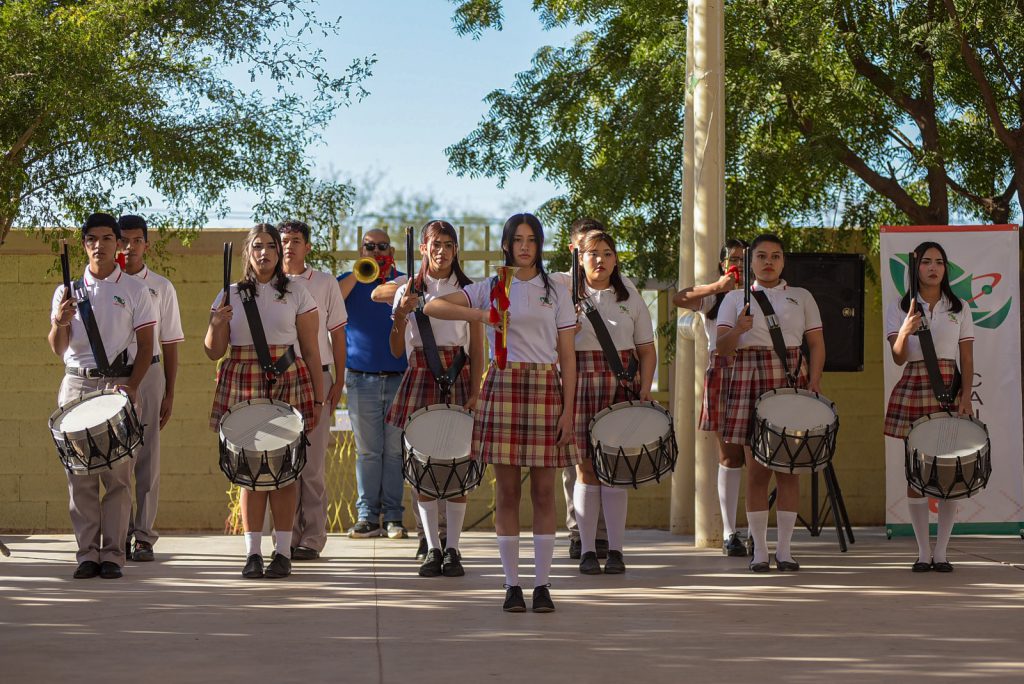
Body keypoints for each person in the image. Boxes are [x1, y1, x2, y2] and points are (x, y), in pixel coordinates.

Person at [425, 212, 577, 613]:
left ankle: (542, 584)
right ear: (507, 245)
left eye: (532, 239)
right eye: (518, 239)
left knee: (544, 492)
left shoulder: (556, 289)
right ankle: (512, 585)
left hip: (546, 386)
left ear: (539, 246)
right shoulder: (491, 287)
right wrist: (481, 315)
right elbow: (433, 306)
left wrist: (569, 410)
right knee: (507, 492)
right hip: (503, 384)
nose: (525, 246)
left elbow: (568, 355)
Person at [205, 224, 324, 579]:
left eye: (271, 246)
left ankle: (283, 552)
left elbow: (312, 349)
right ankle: (253, 553)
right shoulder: (228, 295)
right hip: (243, 379)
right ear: (248, 252)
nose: (265, 252)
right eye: (258, 246)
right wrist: (216, 323)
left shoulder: (298, 292)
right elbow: (213, 351)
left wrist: (318, 400)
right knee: (250, 474)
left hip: (287, 380)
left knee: (285, 474)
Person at [48, 212, 156, 579]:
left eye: (107, 238)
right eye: (91, 239)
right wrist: (60, 321)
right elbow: (57, 348)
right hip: (77, 385)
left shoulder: (137, 290)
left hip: (117, 386)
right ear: (84, 245)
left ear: (118, 244)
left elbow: (146, 347)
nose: (99, 245)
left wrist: (134, 386)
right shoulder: (67, 291)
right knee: (79, 475)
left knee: (118, 475)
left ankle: (112, 554)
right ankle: (86, 554)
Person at [716, 233, 825, 572]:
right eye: (761, 256)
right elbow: (721, 348)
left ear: (783, 261)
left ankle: (786, 550)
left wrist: (814, 385)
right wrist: (738, 330)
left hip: (790, 378)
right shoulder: (734, 299)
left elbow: (817, 344)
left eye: (775, 256)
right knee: (757, 469)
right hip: (748, 376)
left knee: (790, 468)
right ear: (749, 263)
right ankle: (760, 549)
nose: (768, 262)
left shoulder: (801, 296)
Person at [385, 220, 485, 577]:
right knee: (423, 465)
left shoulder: (469, 290)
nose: (441, 251)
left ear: (455, 250)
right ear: (423, 249)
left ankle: (453, 548)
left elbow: (478, 346)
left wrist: (476, 390)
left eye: (448, 244)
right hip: (421, 374)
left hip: (458, 375)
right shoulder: (407, 289)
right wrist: (401, 313)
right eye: (434, 244)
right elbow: (397, 349)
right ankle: (431, 547)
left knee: (457, 464)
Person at [884, 241, 974, 573]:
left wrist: (965, 397)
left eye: (939, 262)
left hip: (949, 386)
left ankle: (942, 552)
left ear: (945, 269)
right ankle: (923, 551)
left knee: (949, 470)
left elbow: (966, 355)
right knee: (917, 471)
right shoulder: (901, 305)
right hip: (915, 384)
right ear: (915, 268)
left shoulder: (959, 306)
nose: (933, 268)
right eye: (926, 262)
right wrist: (905, 330)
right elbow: (898, 356)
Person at [571, 230, 656, 575]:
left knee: (616, 469)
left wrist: (645, 390)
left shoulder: (630, 297)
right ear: (580, 259)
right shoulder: (567, 297)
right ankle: (588, 550)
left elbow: (647, 351)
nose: (601, 260)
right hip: (579, 384)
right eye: (593, 253)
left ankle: (617, 550)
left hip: (620, 386)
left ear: (616, 259)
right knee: (586, 468)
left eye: (607, 253)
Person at [674, 238, 749, 556]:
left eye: (746, 259)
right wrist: (718, 286)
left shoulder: (765, 294)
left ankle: (756, 531)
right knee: (730, 456)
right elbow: (680, 298)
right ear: (722, 264)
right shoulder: (713, 299)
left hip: (761, 368)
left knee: (760, 458)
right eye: (733, 259)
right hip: (725, 371)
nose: (739, 265)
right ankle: (731, 533)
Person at [280, 220, 348, 561]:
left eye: (295, 240)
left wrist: (338, 379)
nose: (288, 246)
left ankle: (313, 537)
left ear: (307, 246)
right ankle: (285, 537)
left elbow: (337, 334)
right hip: (279, 377)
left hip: (316, 375)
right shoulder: (266, 284)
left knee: (312, 465)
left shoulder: (324, 283)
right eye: (283, 241)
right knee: (282, 461)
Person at [118, 215, 184, 563]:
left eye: (136, 240)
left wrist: (170, 391)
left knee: (147, 457)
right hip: (113, 376)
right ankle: (120, 531)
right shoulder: (105, 285)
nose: (129, 247)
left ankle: (143, 535)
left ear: (147, 244)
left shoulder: (161, 287)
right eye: (123, 239)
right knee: (116, 458)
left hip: (151, 376)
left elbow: (170, 342)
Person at [338, 229, 409, 539]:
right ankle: (367, 516)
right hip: (361, 378)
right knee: (368, 452)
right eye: (370, 246)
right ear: (361, 248)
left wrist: (386, 274)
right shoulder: (349, 279)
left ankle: (394, 517)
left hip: (398, 377)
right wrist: (361, 268)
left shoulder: (402, 280)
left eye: (382, 246)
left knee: (394, 452)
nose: (377, 251)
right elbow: (334, 301)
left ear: (391, 249)